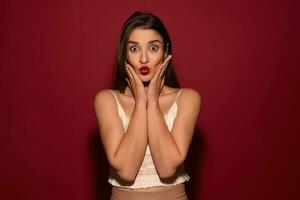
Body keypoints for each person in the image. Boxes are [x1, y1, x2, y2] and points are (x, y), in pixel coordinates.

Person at [94, 11, 201, 200]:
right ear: (124, 54)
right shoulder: (107, 100)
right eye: (134, 49)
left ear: (166, 52)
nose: (144, 59)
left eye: (153, 48)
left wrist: (152, 102)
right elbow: (126, 171)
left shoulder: (187, 98)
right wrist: (141, 101)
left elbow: (167, 168)